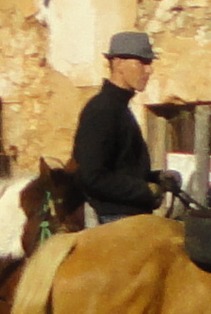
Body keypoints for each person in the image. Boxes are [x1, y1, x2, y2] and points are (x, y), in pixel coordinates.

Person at [70, 33, 164, 224]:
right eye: (142, 62)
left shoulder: (118, 108)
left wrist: (158, 179)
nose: (149, 70)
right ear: (118, 63)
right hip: (116, 221)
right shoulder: (102, 110)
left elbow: (123, 169)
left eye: (150, 63)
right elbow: (92, 176)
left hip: (131, 217)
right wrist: (144, 189)